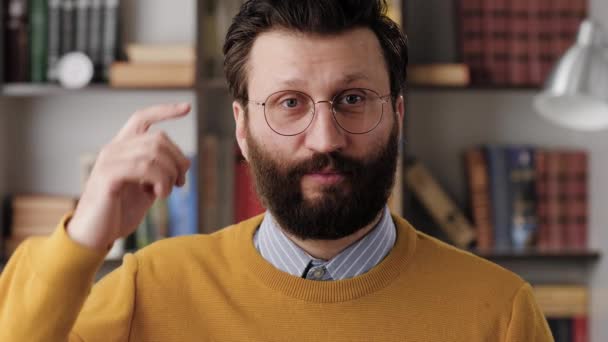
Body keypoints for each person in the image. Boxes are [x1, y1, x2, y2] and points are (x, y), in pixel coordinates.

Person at [0, 1, 553, 341]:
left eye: (353, 98)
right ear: (242, 126)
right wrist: (83, 238)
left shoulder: (500, 312)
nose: (325, 138)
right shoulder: (149, 287)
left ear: (397, 113)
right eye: (289, 102)